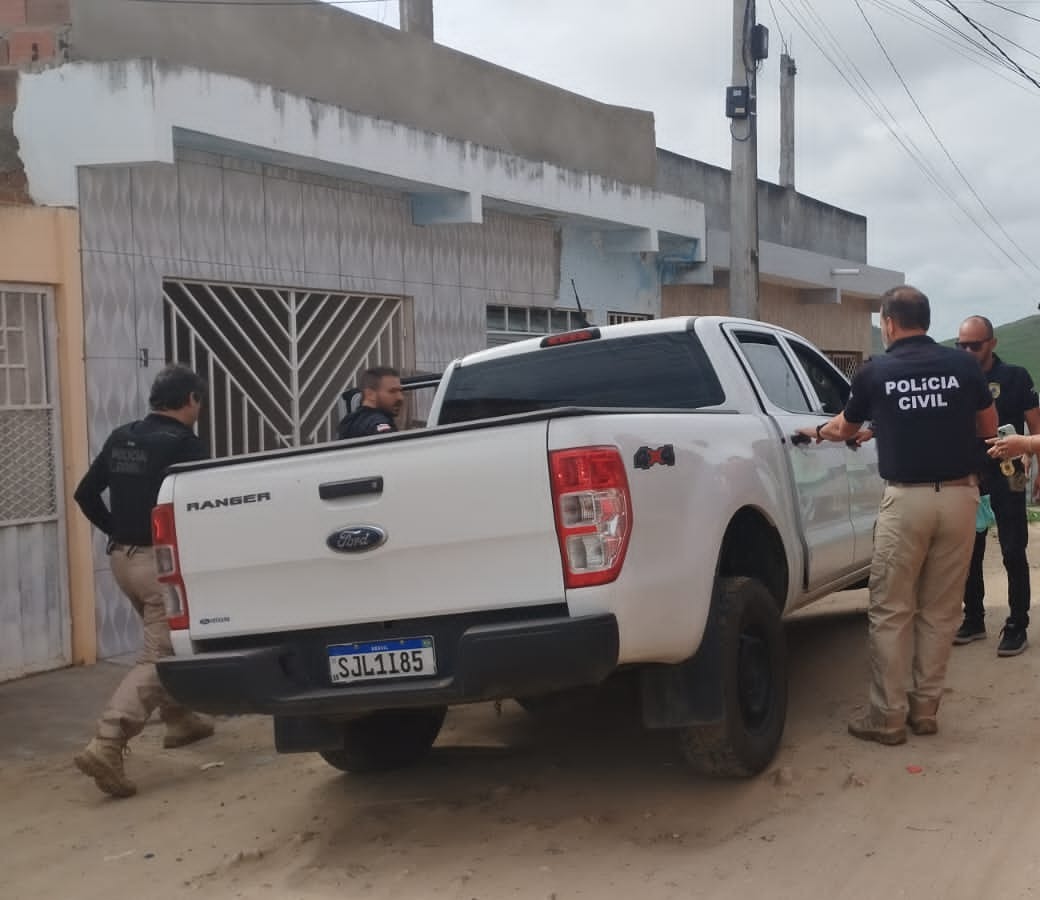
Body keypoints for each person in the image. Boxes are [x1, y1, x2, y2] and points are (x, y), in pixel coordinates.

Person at [800, 286, 996, 745]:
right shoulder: (964, 365)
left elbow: (844, 428)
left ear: (888, 322)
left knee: (891, 609)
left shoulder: (876, 371)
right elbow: (987, 429)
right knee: (941, 609)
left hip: (906, 501)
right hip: (960, 497)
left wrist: (820, 431)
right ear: (926, 320)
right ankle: (925, 710)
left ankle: (887, 717)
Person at [72, 365, 215, 798]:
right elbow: (200, 506)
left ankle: (179, 719)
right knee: (160, 653)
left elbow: (84, 493)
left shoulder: (122, 436)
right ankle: (108, 742)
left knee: (158, 642)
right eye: (199, 402)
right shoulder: (185, 445)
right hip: (158, 564)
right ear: (191, 400)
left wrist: (119, 529)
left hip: (122, 560)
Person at [952, 315, 1040, 656]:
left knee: (1012, 549)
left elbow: (1035, 426)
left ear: (992, 343)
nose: (968, 350)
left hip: (1011, 472)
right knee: (967, 553)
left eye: (975, 344)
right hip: (969, 474)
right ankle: (973, 618)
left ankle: (1017, 624)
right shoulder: (955, 378)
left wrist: (1035, 462)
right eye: (962, 345)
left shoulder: (1015, 377)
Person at [336, 366, 404, 439]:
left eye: (400, 391)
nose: (400, 397)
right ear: (370, 394)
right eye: (392, 391)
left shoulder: (350, 422)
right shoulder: (377, 424)